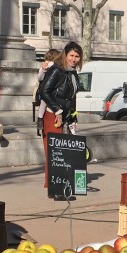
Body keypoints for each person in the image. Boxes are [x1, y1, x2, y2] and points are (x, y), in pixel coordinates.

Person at [39, 41, 83, 187]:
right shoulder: (57, 70)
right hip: (53, 115)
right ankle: (53, 185)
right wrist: (57, 109)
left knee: (62, 150)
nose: (74, 59)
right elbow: (44, 91)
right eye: (71, 55)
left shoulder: (73, 72)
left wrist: (73, 118)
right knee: (54, 151)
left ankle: (60, 182)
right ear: (65, 55)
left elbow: (72, 97)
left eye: (77, 56)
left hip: (65, 115)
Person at [34, 49, 62, 136]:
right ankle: (40, 119)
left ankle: (40, 119)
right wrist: (43, 70)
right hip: (45, 90)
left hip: (51, 90)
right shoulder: (48, 65)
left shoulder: (56, 66)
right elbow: (40, 78)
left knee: (44, 102)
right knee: (44, 102)